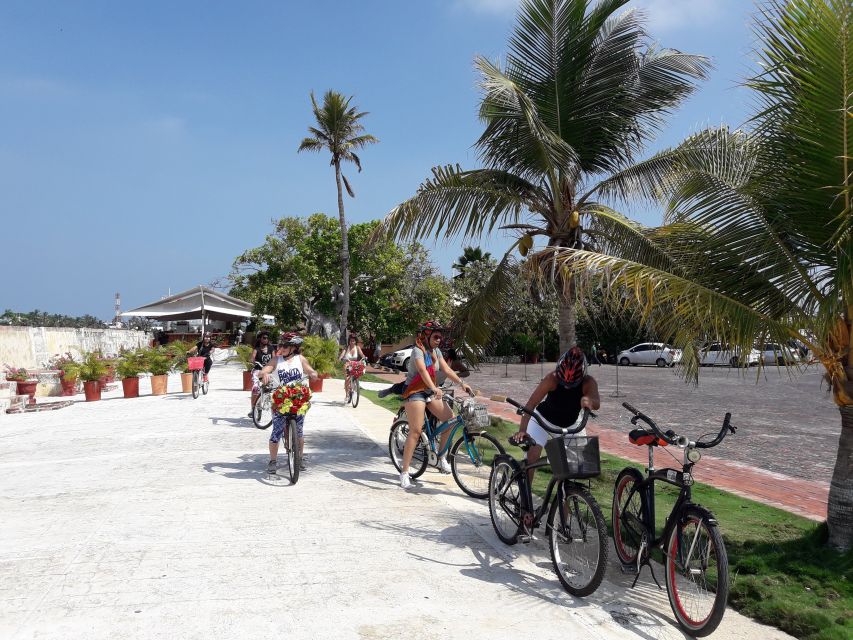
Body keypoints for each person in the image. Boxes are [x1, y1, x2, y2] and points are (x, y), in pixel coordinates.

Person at [398, 321, 473, 489]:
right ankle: (404, 473)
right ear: (426, 335)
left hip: (431, 390)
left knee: (450, 420)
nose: (439, 340)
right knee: (416, 431)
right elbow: (423, 371)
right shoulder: (418, 350)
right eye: (436, 336)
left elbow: (446, 369)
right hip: (415, 390)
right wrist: (433, 388)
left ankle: (441, 457)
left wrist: (462, 383)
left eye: (440, 337)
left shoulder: (437, 351)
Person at [510, 346, 600, 484]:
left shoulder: (588, 382)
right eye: (564, 383)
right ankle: (524, 499)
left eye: (572, 384)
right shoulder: (552, 378)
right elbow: (531, 405)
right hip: (543, 421)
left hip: (572, 425)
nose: (567, 387)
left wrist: (589, 400)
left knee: (575, 468)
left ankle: (566, 499)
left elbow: (596, 401)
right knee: (532, 457)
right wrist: (522, 430)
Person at [260, 332, 318, 473]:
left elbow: (311, 371)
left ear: (293, 347)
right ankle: (273, 461)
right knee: (277, 432)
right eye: (281, 344)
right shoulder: (276, 360)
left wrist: (313, 373)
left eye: (285, 345)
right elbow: (263, 371)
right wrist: (265, 374)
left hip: (298, 398)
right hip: (280, 399)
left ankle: (299, 457)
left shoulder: (300, 359)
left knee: (299, 432)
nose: (282, 347)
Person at [248, 331, 275, 417]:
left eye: (267, 338)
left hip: (268, 371)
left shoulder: (271, 348)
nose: (266, 339)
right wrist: (253, 361)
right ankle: (253, 409)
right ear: (260, 339)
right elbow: (251, 358)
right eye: (264, 338)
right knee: (255, 390)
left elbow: (275, 359)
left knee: (274, 389)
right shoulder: (256, 349)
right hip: (258, 371)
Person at [339, 334, 366, 402]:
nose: (352, 342)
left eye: (353, 341)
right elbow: (342, 354)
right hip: (348, 364)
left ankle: (354, 386)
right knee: (347, 379)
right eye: (351, 341)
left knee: (357, 375)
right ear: (349, 341)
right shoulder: (346, 348)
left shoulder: (357, 348)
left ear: (355, 342)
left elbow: (362, 354)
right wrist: (340, 358)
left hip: (355, 364)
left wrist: (364, 357)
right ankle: (347, 395)